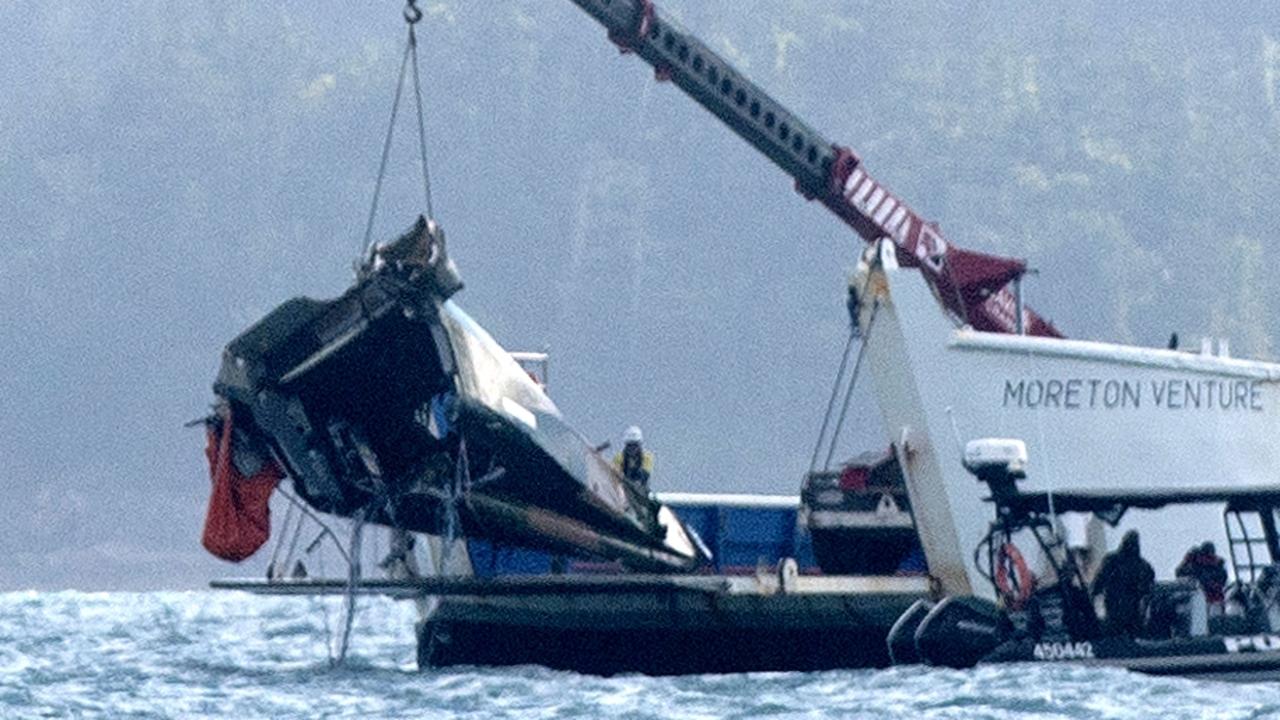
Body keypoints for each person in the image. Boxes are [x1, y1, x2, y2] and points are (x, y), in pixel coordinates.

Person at [1090, 530, 1155, 636]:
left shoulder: (1142, 566)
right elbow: (1098, 583)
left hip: (1128, 610)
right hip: (1119, 609)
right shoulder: (1142, 566)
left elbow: (1148, 592)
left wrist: (1093, 596)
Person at [612, 425, 653, 491]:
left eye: (635, 445)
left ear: (639, 445)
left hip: (640, 488)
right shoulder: (619, 457)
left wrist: (637, 482)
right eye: (629, 445)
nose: (632, 448)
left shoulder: (647, 457)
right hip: (622, 488)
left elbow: (646, 474)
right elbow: (615, 474)